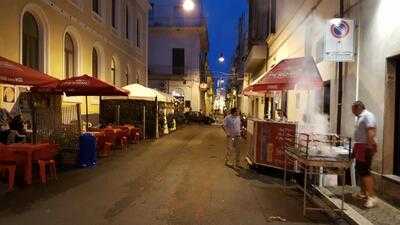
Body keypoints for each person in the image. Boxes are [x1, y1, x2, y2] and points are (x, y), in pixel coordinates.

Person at [351, 101, 377, 208]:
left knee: (365, 171)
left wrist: (369, 146)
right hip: (360, 146)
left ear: (358, 108)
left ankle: (372, 197)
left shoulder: (368, 116)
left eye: (353, 109)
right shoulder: (360, 117)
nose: (352, 111)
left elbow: (371, 131)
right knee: (360, 170)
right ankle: (363, 193)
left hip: (365, 146)